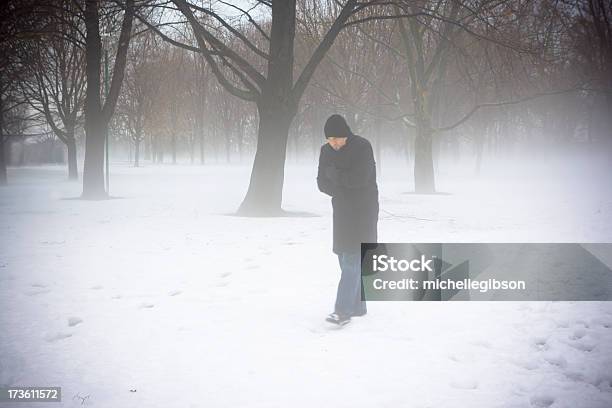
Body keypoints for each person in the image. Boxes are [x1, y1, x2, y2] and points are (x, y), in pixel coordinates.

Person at [317, 114, 379, 325]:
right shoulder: (325, 151)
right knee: (343, 257)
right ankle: (359, 306)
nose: (333, 143)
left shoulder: (363, 147)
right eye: (329, 139)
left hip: (363, 209)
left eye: (336, 138)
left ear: (345, 135)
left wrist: (336, 177)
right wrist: (341, 184)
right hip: (342, 210)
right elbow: (321, 183)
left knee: (353, 257)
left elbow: (362, 179)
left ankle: (342, 311)